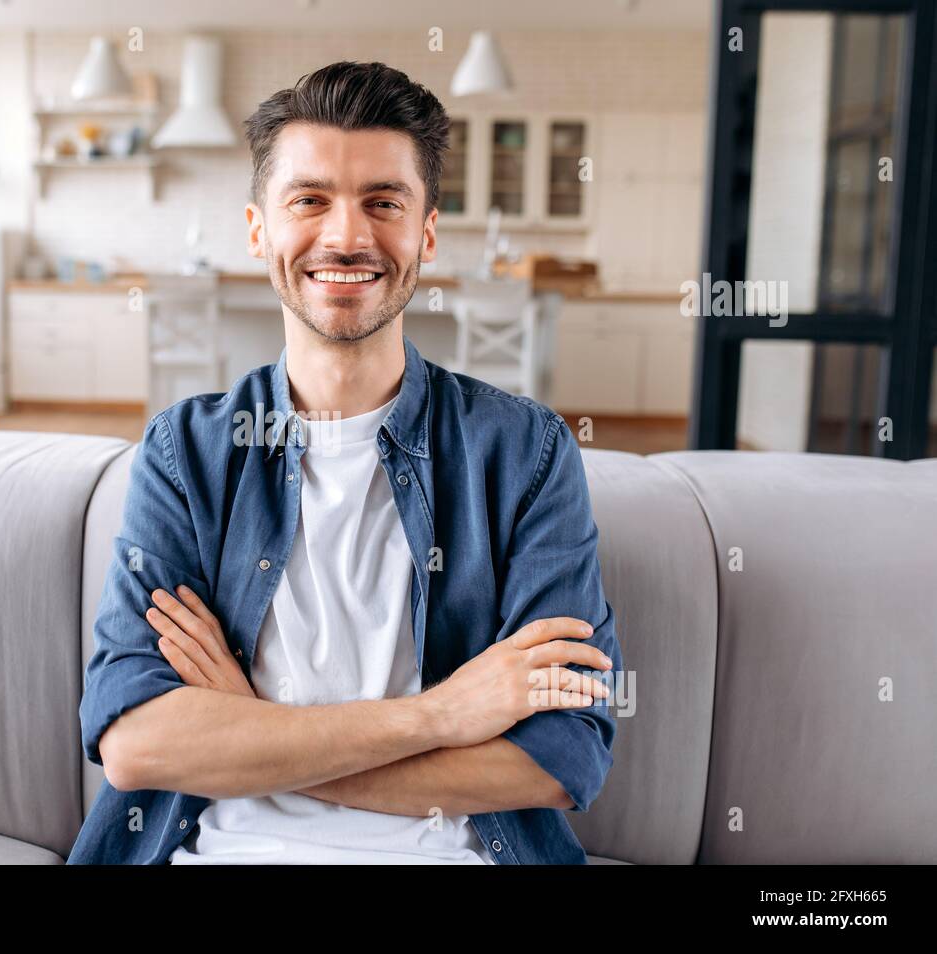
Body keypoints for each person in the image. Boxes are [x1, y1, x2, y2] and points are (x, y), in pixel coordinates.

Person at [68, 60, 621, 865]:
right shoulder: (186, 454)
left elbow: (564, 755)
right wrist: (440, 715)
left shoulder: (527, 454)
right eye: (309, 200)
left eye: (384, 203)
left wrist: (250, 724)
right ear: (260, 228)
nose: (347, 237)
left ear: (426, 232)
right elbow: (137, 743)